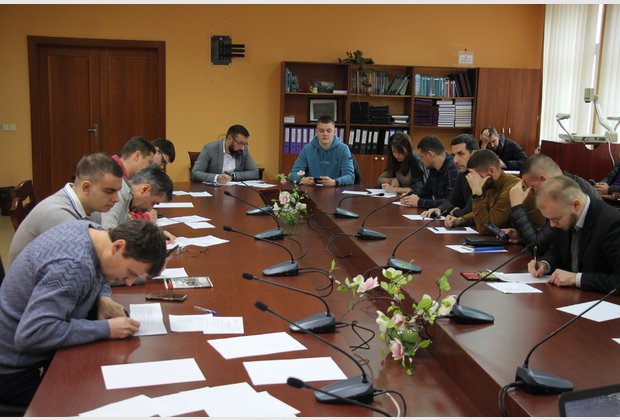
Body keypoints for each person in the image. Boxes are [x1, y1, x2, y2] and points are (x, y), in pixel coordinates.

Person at [0, 219, 167, 406]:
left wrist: (103, 298)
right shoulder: (73, 264)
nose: (129, 282)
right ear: (118, 246)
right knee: (96, 401)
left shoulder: (94, 233)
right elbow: (33, 333)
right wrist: (106, 329)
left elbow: (99, 269)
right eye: (131, 273)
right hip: (12, 368)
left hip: (28, 349)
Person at [7, 153, 123, 267]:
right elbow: (83, 266)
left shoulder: (92, 207)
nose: (116, 199)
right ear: (86, 187)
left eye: (118, 191)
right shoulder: (58, 216)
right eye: (109, 191)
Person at [528, 176, 620, 294]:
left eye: (555, 219)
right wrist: (545, 264)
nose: (551, 225)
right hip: (567, 296)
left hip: (599, 300)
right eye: (548, 219)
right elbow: (556, 251)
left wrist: (576, 279)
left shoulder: (611, 224)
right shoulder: (563, 214)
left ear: (576, 205)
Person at [507, 153, 600, 253]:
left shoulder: (567, 195)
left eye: (532, 188)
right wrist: (522, 237)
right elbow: (552, 241)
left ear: (544, 180)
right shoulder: (565, 183)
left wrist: (517, 206)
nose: (531, 194)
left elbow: (537, 247)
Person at [445, 149, 544, 234]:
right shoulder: (493, 184)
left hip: (531, 242)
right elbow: (486, 211)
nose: (474, 180)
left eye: (476, 176)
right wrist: (460, 220)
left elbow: (485, 228)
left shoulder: (511, 189)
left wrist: (477, 195)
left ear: (491, 171)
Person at [421, 134, 479, 218]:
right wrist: (439, 209)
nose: (455, 160)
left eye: (460, 154)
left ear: (474, 154)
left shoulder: (483, 176)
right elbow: (452, 200)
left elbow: (471, 211)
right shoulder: (462, 174)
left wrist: (454, 212)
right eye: (454, 155)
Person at [98, 166, 173, 229]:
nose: (149, 209)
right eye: (153, 203)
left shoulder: (125, 196)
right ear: (145, 189)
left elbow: (127, 225)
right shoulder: (117, 198)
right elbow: (108, 236)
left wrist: (156, 234)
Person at [289, 115, 354, 187]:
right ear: (316, 131)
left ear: (334, 132)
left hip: (336, 189)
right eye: (321, 131)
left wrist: (335, 182)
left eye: (328, 131)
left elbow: (350, 177)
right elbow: (292, 174)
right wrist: (302, 179)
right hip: (313, 190)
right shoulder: (307, 149)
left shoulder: (343, 149)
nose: (325, 134)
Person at [400, 135, 458, 208]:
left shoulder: (452, 168)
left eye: (422, 157)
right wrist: (408, 196)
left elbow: (451, 202)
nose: (421, 161)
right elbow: (425, 192)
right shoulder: (433, 167)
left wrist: (419, 202)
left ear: (430, 155)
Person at [191, 125, 259, 183]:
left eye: (245, 144)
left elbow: (255, 173)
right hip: (213, 190)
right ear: (229, 138)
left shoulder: (244, 151)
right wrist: (216, 177)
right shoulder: (210, 149)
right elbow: (195, 173)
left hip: (236, 190)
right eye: (241, 143)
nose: (242, 148)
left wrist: (233, 175)